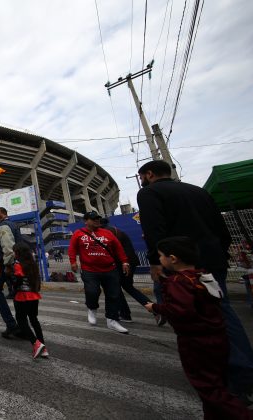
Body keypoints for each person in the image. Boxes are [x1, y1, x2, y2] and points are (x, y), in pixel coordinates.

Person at [137, 160, 253, 404]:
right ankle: (241, 371)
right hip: (213, 260)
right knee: (222, 311)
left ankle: (227, 376)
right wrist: (219, 253)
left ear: (149, 174)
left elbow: (154, 229)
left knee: (188, 317)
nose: (141, 182)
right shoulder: (199, 191)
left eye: (142, 177)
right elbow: (222, 230)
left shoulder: (149, 193)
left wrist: (156, 262)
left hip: (180, 264)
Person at [145, 237, 253, 419]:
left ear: (173, 259)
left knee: (209, 389)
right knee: (217, 383)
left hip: (195, 343)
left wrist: (155, 307)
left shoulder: (178, 282)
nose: (159, 260)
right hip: (219, 337)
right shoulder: (203, 276)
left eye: (161, 256)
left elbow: (180, 311)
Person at [68, 211, 130, 334]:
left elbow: (118, 248)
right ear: (86, 221)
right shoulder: (78, 234)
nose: (97, 220)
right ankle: (92, 308)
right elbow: (72, 248)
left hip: (110, 269)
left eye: (98, 218)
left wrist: (125, 262)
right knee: (92, 291)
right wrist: (73, 262)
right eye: (93, 218)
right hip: (89, 269)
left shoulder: (107, 233)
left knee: (114, 295)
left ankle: (112, 320)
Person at [100, 218, 150, 322]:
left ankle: (125, 314)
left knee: (115, 288)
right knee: (128, 287)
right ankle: (152, 307)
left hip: (121, 264)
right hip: (130, 262)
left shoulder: (106, 233)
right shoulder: (117, 230)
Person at [12, 242, 49, 358]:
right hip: (34, 296)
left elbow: (17, 280)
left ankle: (35, 343)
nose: (13, 253)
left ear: (18, 253)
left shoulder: (17, 264)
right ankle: (43, 347)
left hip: (22, 296)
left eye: (14, 251)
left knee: (21, 320)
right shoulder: (33, 264)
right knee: (34, 320)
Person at [0, 207, 20, 338]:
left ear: (4, 214)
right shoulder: (13, 224)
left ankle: (12, 324)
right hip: (17, 263)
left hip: (7, 264)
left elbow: (8, 247)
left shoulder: (3, 226)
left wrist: (8, 265)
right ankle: (19, 325)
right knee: (17, 293)